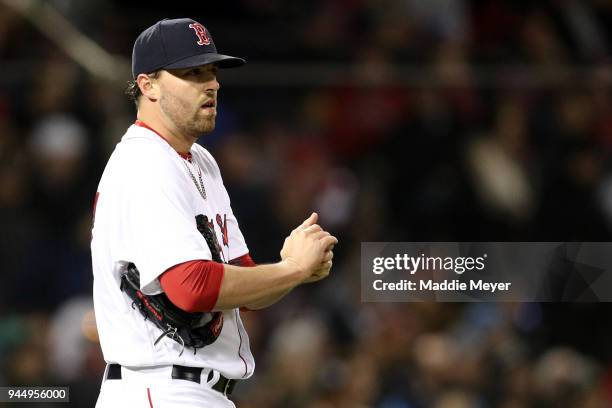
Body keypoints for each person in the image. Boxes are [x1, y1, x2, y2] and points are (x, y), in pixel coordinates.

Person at [91, 17, 337, 408]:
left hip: (193, 390)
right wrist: (292, 269)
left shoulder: (199, 161)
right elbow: (191, 288)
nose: (212, 83)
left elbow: (243, 284)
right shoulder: (145, 162)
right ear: (147, 84)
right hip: (161, 387)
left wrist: (292, 265)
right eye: (192, 72)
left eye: (212, 71)